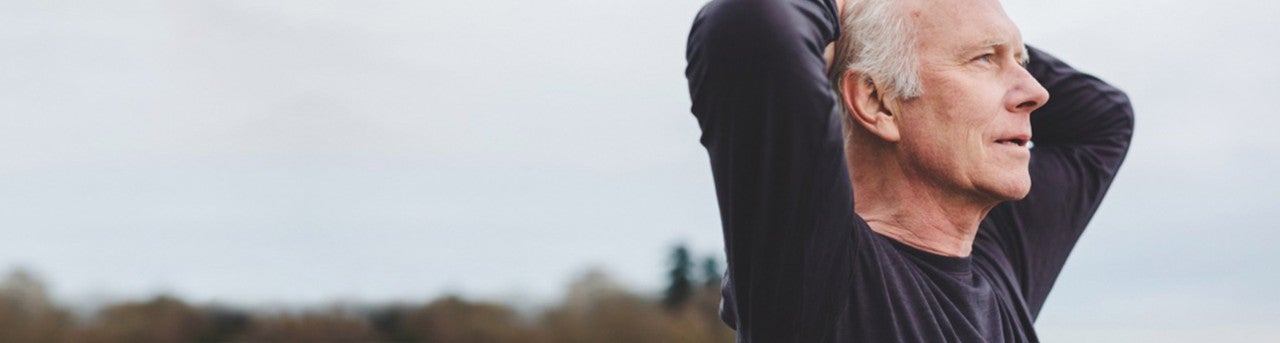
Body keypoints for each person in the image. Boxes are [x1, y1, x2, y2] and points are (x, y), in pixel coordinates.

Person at [684, 0, 1133, 341]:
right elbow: (753, 26)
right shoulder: (822, 274)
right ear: (877, 102)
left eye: (1022, 61)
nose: (1036, 92)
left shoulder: (996, 264)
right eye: (984, 59)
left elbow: (1103, 121)